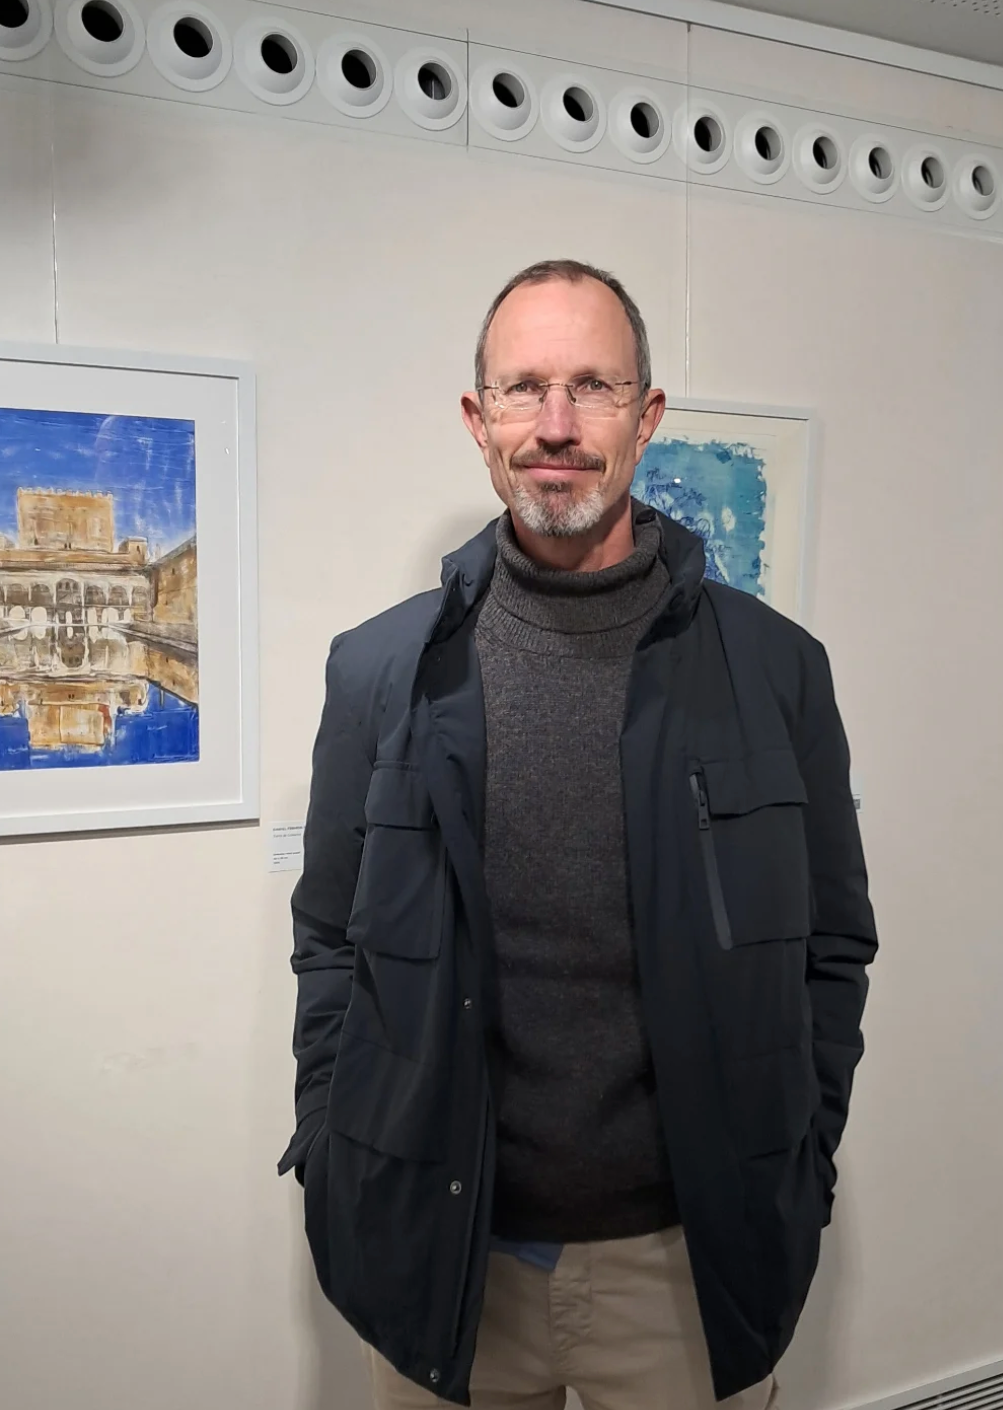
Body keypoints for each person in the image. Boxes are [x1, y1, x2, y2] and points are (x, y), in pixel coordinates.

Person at [280, 259, 877, 1409]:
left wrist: (795, 1160)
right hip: (442, 1257)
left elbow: (831, 948)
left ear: (646, 417)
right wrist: (333, 1140)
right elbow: (330, 942)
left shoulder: (776, 671)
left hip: (686, 1267)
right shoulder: (378, 671)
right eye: (525, 388)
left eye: (594, 387)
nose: (557, 425)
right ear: (479, 420)